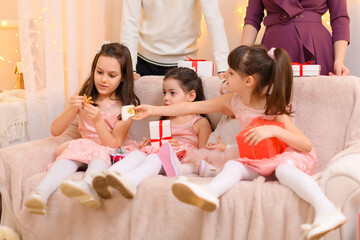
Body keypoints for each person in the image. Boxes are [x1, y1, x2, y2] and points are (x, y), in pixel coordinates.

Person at [134, 45, 347, 239]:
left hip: (292, 155)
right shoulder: (233, 101)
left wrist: (272, 128)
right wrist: (154, 110)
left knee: (283, 170)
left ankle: (327, 210)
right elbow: (189, 108)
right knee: (233, 164)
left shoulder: (273, 107)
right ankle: (209, 194)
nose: (225, 75)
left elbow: (305, 145)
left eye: (231, 72)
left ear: (248, 82)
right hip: (264, 158)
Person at [24, 43, 140, 215]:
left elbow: (114, 144)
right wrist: (70, 109)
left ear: (123, 77)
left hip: (108, 151)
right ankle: (40, 194)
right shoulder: (85, 97)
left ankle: (88, 187)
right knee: (68, 156)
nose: (103, 79)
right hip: (83, 147)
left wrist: (98, 121)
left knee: (99, 157)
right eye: (99, 72)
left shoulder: (126, 109)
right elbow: (55, 130)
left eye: (112, 75)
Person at [91, 67, 212, 200]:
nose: (166, 98)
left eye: (172, 93)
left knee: (154, 158)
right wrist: (149, 144)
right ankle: (105, 177)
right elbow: (155, 144)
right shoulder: (165, 119)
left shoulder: (200, 123)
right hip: (158, 152)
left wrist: (177, 148)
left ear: (191, 96)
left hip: (175, 160)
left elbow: (203, 154)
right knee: (138, 153)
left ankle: (129, 181)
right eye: (164, 92)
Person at [120, 0, 229, 79]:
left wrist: (223, 67)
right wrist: (129, 67)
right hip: (143, 62)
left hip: (183, 64)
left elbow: (214, 20)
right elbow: (130, 23)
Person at [240, 0, 350, 76]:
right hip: (275, 48)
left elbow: (339, 18)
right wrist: (241, 57)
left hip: (317, 48)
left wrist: (339, 61)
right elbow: (252, 17)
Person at [183, 80, 241, 177]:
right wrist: (211, 143)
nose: (221, 102)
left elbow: (243, 146)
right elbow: (216, 133)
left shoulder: (243, 119)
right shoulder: (224, 118)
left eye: (226, 98)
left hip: (234, 154)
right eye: (221, 96)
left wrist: (226, 148)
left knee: (231, 164)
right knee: (201, 156)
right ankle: (183, 169)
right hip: (218, 151)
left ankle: (214, 171)